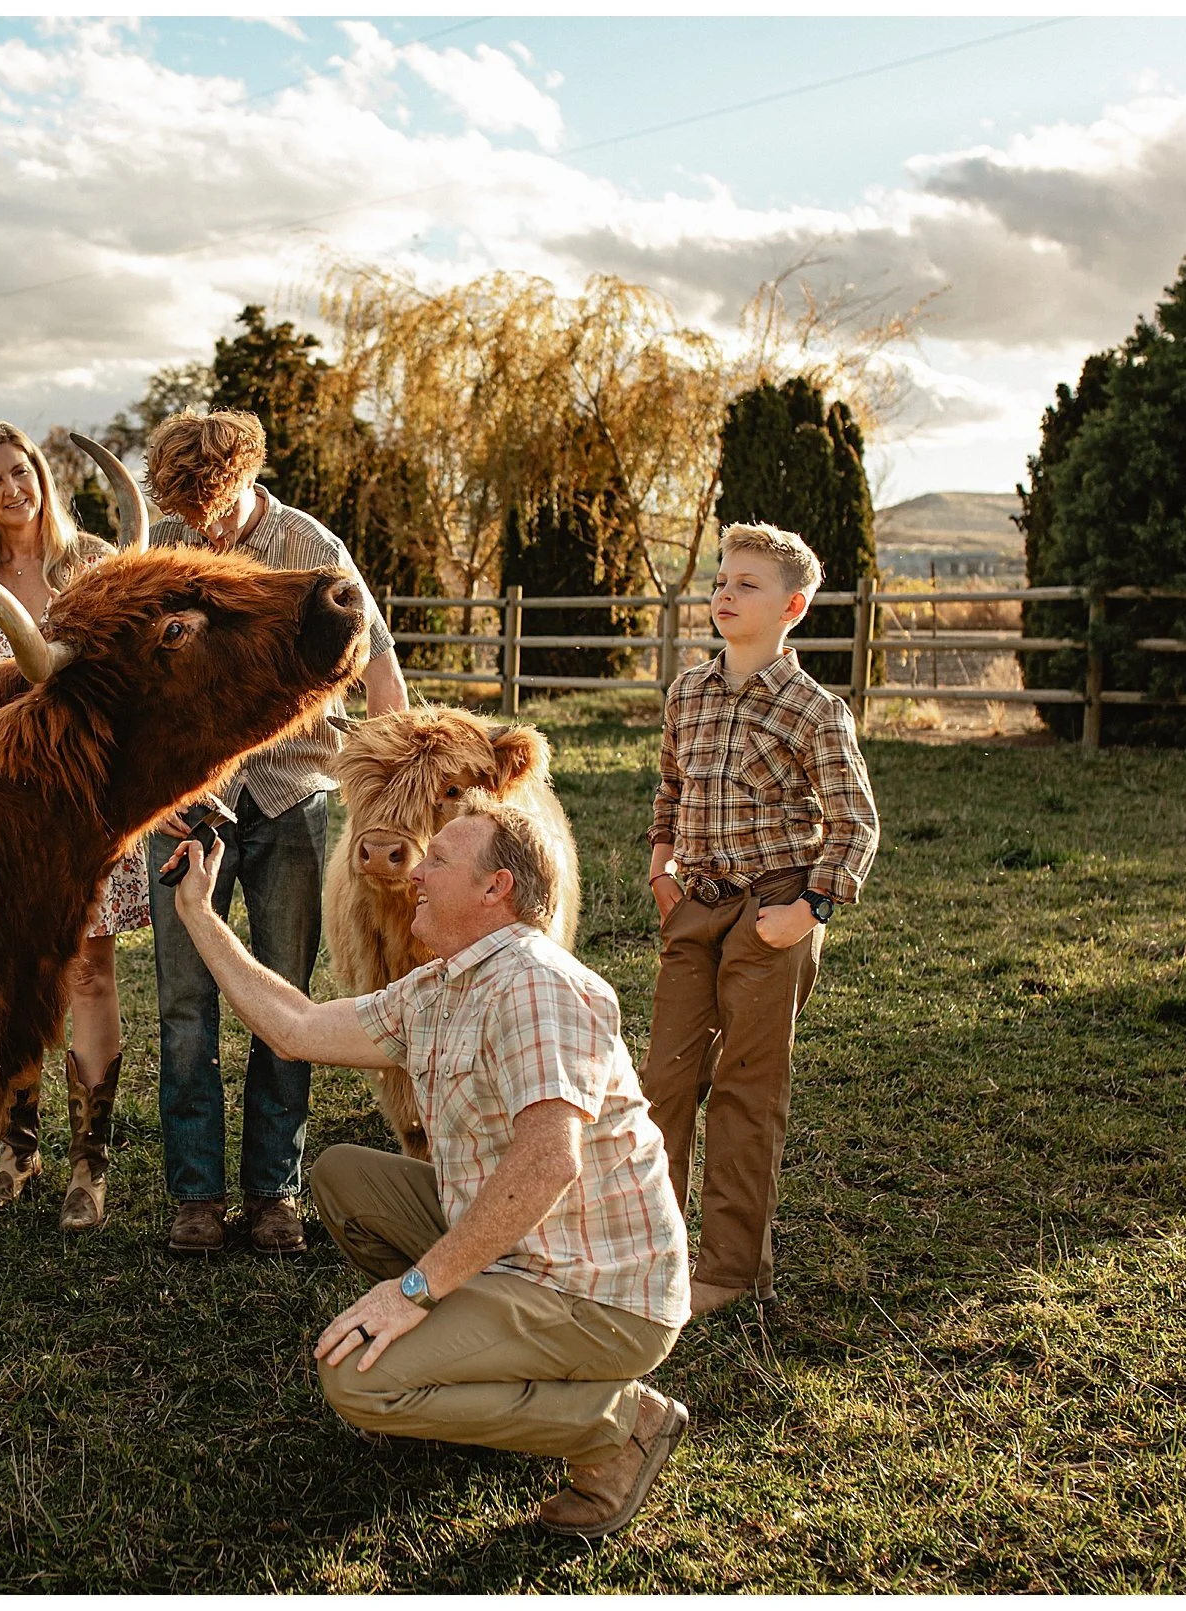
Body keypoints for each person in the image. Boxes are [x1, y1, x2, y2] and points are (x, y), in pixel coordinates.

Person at [160, 803, 692, 1538]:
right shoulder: (444, 984)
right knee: (344, 1177)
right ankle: (489, 1375)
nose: (416, 869)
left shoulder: (534, 985)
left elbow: (548, 1162)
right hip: (520, 1244)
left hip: (594, 1292)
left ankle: (621, 1423)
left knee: (358, 1379)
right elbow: (297, 1027)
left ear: (495, 887)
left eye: (438, 858)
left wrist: (414, 1291)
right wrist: (198, 913)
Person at [140, 409, 407, 1257]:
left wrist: (388, 795)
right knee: (186, 1005)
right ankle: (194, 1195)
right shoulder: (165, 548)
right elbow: (134, 680)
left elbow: (380, 664)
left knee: (282, 997)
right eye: (186, 509)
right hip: (193, 798)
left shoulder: (307, 545)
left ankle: (273, 1193)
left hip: (294, 793)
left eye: (213, 507)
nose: (203, 526)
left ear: (248, 476)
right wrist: (156, 788)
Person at [644, 521, 880, 1319]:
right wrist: (660, 860)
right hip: (694, 906)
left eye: (746, 583)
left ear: (793, 606)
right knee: (664, 1083)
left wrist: (808, 911)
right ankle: (652, 1249)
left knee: (747, 1088)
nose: (724, 593)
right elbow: (671, 787)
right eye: (721, 579)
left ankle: (733, 1270)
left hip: (770, 909)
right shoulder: (687, 693)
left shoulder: (814, 710)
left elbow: (856, 823)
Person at [0, 420, 145, 1232]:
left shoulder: (91, 563)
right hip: (0, 816)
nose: (13, 489)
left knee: (88, 972)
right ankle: (19, 1149)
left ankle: (91, 1163)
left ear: (43, 476)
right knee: (13, 980)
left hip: (87, 805)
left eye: (22, 472)